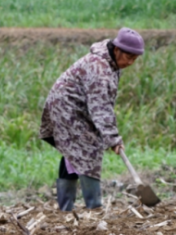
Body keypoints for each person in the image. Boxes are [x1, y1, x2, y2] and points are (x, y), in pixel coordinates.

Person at [39, 27, 144, 211]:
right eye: (128, 57)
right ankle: (93, 206)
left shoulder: (112, 63)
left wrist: (110, 135)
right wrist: (113, 138)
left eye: (134, 59)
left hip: (78, 107)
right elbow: (101, 108)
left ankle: (65, 207)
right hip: (67, 109)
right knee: (88, 151)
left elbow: (103, 104)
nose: (130, 63)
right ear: (117, 50)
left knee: (74, 153)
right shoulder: (99, 69)